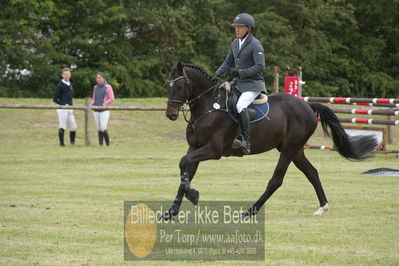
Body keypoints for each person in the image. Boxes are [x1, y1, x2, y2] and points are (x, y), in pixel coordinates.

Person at [213, 13, 265, 155]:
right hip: (238, 83)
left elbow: (260, 67)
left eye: (240, 27)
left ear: (248, 28)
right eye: (236, 27)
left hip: (253, 84)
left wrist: (240, 72)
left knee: (240, 105)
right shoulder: (235, 43)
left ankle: (246, 140)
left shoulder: (255, 44)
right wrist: (216, 75)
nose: (237, 30)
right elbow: (228, 62)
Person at [53, 67, 77, 146]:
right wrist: (63, 104)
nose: (67, 76)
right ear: (62, 75)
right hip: (62, 109)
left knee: (73, 127)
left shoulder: (70, 84)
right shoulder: (60, 85)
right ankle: (62, 144)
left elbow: (70, 96)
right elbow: (55, 99)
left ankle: (72, 144)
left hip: (70, 108)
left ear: (70, 75)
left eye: (68, 74)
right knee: (62, 126)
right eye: (65, 74)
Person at [92, 72, 115, 146]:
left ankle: (108, 145)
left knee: (103, 127)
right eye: (97, 78)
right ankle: (100, 145)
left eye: (100, 78)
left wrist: (103, 104)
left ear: (103, 78)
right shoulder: (95, 87)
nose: (98, 79)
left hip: (104, 110)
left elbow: (111, 98)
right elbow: (94, 98)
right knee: (99, 128)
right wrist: (92, 104)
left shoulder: (108, 87)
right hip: (96, 110)